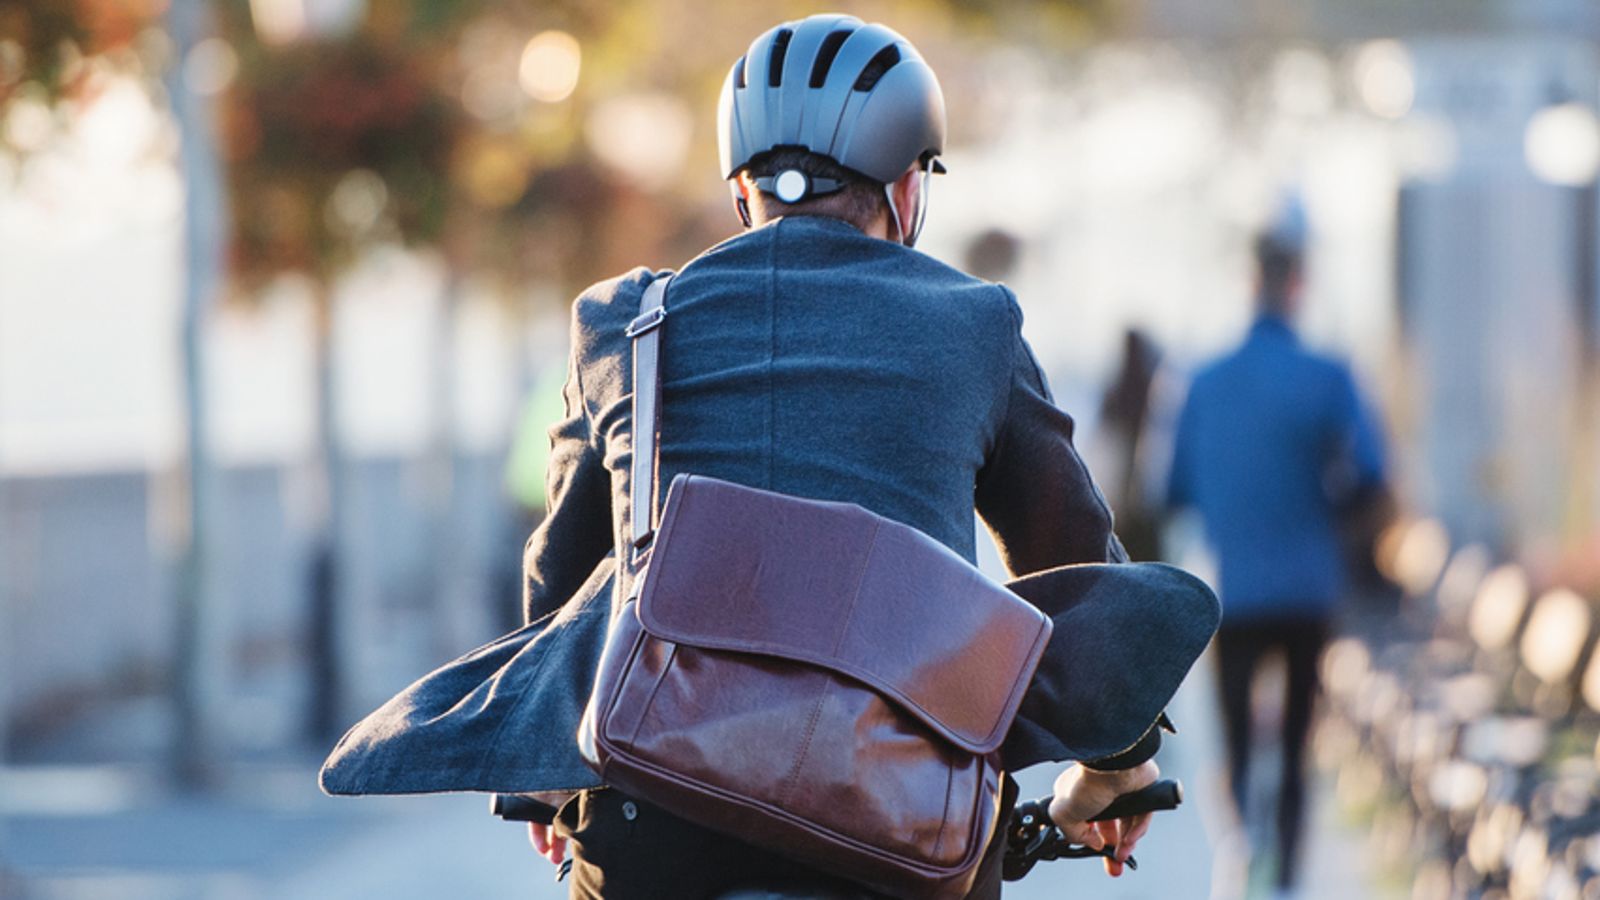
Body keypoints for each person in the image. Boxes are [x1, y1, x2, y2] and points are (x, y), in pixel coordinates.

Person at [513, 14, 1162, 898]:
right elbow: (1076, 565)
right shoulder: (971, 323)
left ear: (744, 191)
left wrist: (543, 780)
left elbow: (563, 575)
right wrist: (1115, 764)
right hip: (902, 822)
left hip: (655, 818)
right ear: (905, 191)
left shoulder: (625, 322)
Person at [1167, 220, 1387, 898]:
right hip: (1308, 588)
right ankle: (1285, 877)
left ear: (1250, 283)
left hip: (1232, 590)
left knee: (1235, 740)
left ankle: (1240, 852)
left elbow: (1174, 489)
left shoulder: (1203, 382)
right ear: (1298, 286)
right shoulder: (1328, 377)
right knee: (1294, 747)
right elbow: (1373, 474)